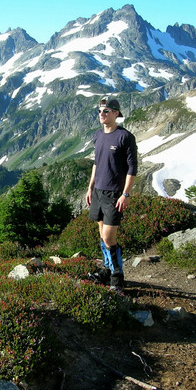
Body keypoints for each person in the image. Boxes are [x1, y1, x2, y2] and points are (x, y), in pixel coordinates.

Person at [86, 98, 138, 292]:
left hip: (114, 193)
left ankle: (118, 279)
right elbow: (96, 163)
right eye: (100, 110)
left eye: (106, 111)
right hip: (98, 191)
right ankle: (107, 271)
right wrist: (90, 187)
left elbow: (132, 168)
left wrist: (126, 194)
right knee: (102, 235)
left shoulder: (125, 137)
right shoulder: (98, 135)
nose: (102, 114)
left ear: (116, 113)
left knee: (109, 238)